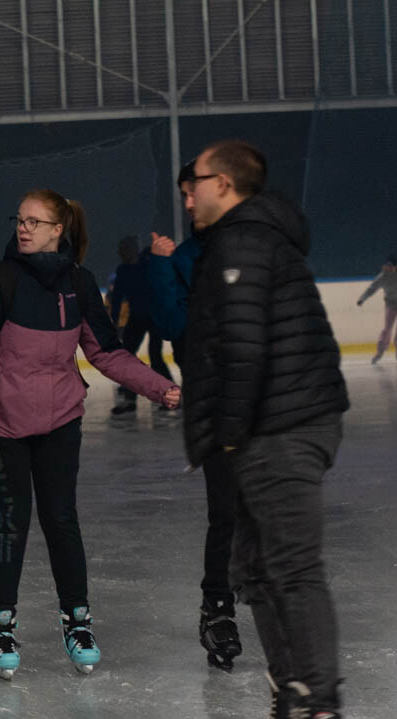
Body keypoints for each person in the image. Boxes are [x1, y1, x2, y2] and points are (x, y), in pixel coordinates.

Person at [182, 140, 353, 719]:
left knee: (290, 569)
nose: (187, 192)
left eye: (195, 181)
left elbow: (244, 350)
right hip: (271, 426)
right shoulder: (243, 238)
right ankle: (294, 708)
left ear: (223, 184)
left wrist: (226, 438)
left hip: (279, 427)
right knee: (251, 569)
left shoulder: (243, 242)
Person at [0, 189, 180, 680]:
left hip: (61, 420)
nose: (24, 228)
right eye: (20, 219)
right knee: (11, 524)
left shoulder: (79, 283)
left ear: (58, 229)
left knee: (62, 520)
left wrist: (159, 388)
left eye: (35, 221)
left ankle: (77, 622)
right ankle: (1, 627)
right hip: (3, 427)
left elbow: (106, 353)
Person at [148, 160, 241, 671]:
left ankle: (284, 613)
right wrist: (163, 266)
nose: (186, 204)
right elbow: (172, 323)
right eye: (181, 194)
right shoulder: (182, 257)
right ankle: (218, 609)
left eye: (192, 193)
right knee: (226, 511)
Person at [108, 235, 174, 416]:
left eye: (124, 249)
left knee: (155, 356)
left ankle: (171, 395)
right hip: (137, 318)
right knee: (127, 357)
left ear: (133, 249)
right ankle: (129, 399)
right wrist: (114, 322)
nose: (121, 253)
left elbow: (164, 282)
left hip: (155, 316)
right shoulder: (123, 271)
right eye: (121, 250)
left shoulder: (148, 264)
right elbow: (117, 298)